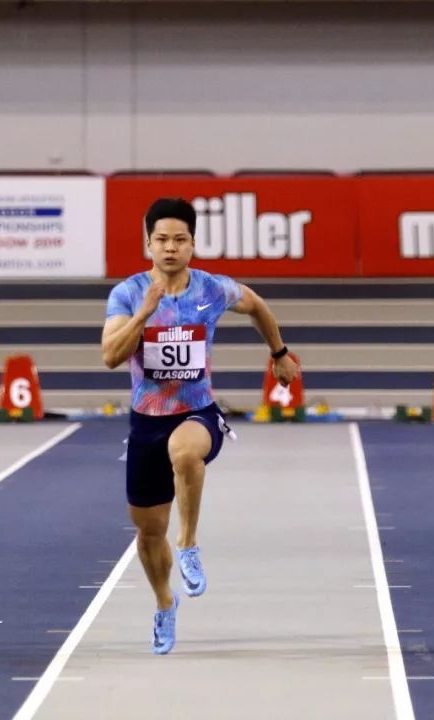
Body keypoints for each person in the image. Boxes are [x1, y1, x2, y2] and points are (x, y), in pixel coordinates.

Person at [102, 197, 299, 655]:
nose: (170, 248)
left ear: (192, 244)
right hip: (146, 423)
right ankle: (164, 602)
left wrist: (278, 353)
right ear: (147, 243)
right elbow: (111, 356)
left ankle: (189, 544)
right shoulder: (128, 293)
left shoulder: (212, 289)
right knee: (148, 533)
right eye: (161, 240)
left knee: (186, 452)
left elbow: (256, 305)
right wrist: (144, 313)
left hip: (197, 413)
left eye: (180, 240)